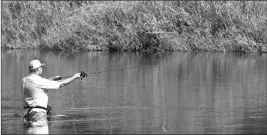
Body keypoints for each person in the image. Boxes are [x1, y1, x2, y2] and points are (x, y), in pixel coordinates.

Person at [22, 59, 84, 126]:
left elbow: (39, 82)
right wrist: (74, 77)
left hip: (27, 115)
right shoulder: (40, 81)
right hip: (38, 115)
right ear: (37, 69)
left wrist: (53, 79)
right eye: (41, 67)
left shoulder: (25, 80)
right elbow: (61, 84)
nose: (42, 68)